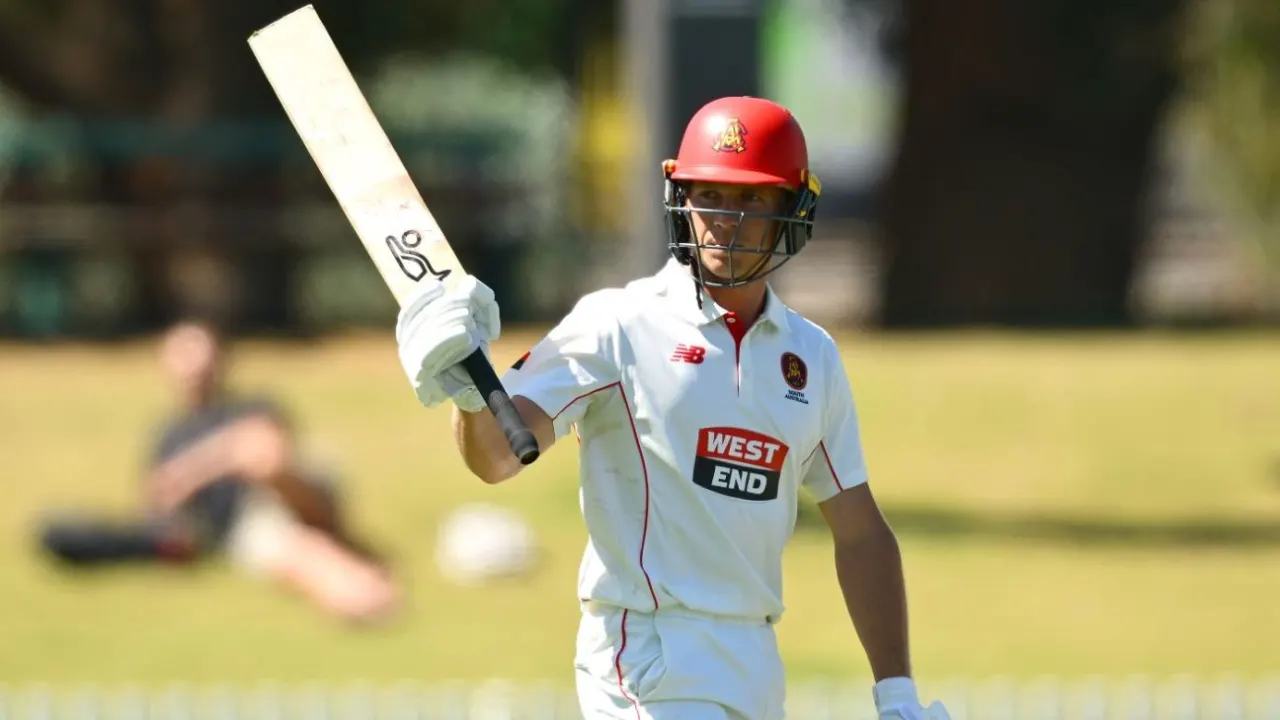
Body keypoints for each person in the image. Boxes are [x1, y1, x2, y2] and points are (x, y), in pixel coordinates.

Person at [394, 97, 949, 719]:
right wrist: (470, 397)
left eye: (750, 200)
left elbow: (861, 532)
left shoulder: (812, 358)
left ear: (794, 209)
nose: (725, 222)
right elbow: (497, 457)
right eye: (710, 194)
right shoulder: (618, 325)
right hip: (648, 654)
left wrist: (897, 693)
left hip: (755, 660)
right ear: (680, 196)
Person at [38, 319, 399, 624]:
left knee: (264, 463)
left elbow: (267, 450)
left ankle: (360, 576)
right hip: (247, 523)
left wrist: (192, 472)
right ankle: (361, 591)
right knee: (291, 544)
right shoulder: (169, 435)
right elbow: (161, 502)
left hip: (290, 490)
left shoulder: (250, 405)